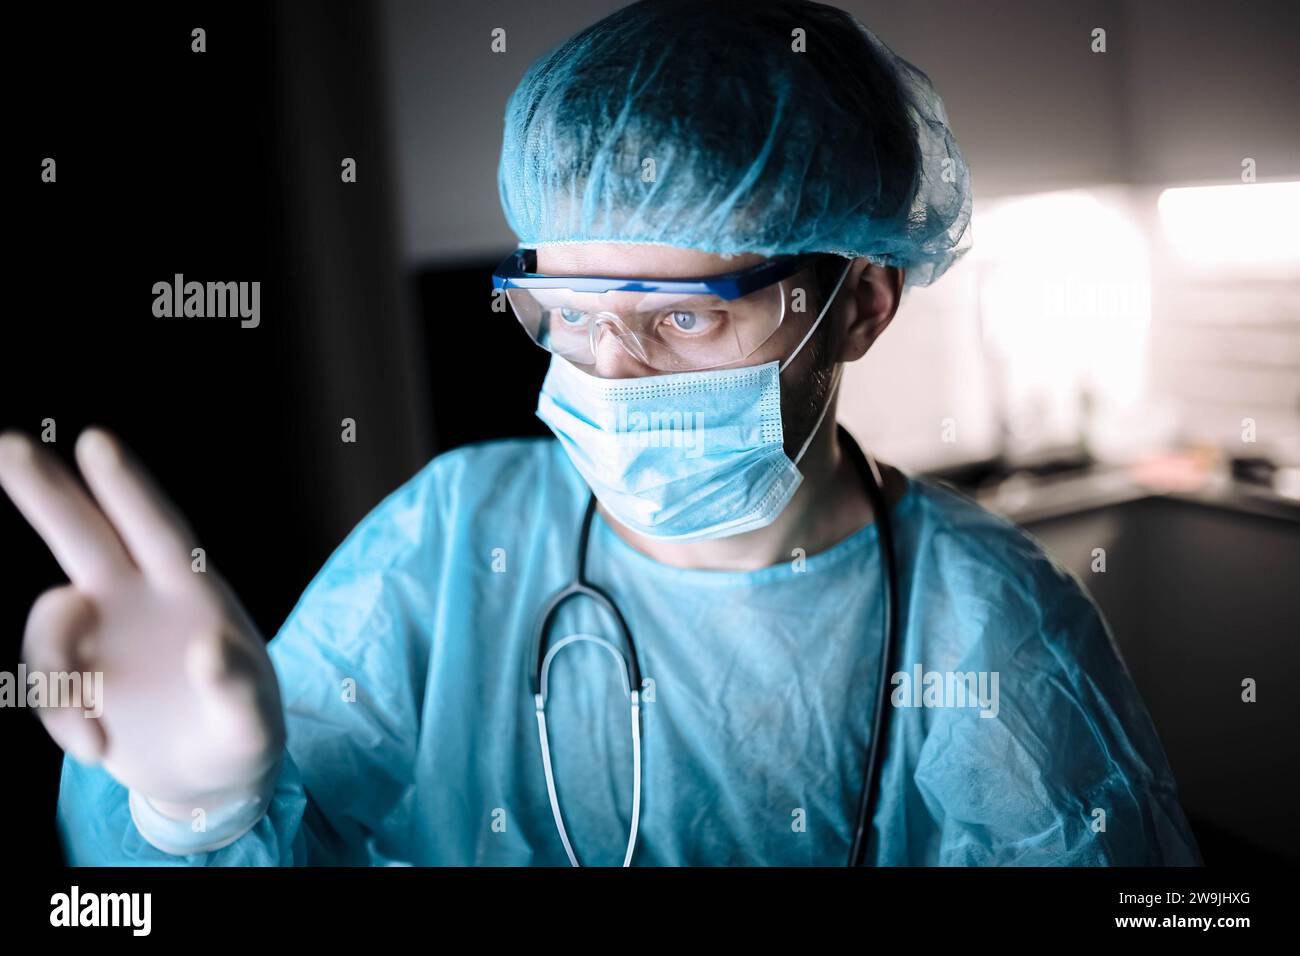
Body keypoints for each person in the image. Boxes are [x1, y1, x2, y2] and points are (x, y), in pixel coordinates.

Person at [0, 0, 1201, 866]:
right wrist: (190, 820)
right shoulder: (452, 536)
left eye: (681, 315)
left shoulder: (986, 624)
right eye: (570, 314)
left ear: (859, 306)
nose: (611, 370)